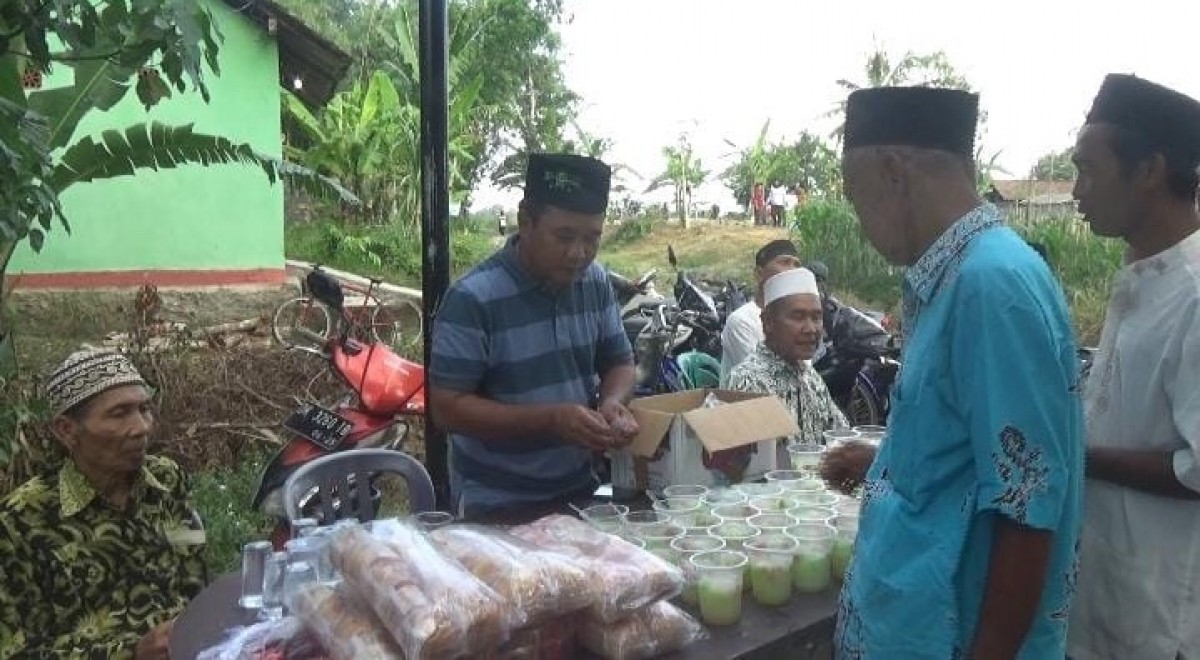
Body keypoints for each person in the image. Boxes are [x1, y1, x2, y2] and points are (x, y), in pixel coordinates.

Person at [821, 86, 1083, 658]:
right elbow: (973, 449)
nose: (860, 219)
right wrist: (887, 464)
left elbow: (1028, 508)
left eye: (854, 196)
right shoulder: (951, 276)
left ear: (892, 171)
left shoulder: (991, 285)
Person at [1066, 74, 1200, 660]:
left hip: (1162, 618)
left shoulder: (1194, 292)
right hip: (1105, 597)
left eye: (1088, 170)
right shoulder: (1143, 273)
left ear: (1148, 172)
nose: (1077, 191)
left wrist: (1078, 454)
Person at [429, 153, 639, 520]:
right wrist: (550, 420)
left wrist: (612, 402)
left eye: (592, 239)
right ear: (525, 221)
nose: (579, 253)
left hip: (578, 492)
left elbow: (619, 361)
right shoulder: (473, 298)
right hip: (495, 503)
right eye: (564, 237)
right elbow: (447, 409)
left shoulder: (595, 282)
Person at [0, 349, 207, 659]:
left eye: (144, 409)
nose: (141, 428)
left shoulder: (167, 482)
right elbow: (14, 652)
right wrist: (131, 653)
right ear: (66, 430)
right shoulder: (20, 522)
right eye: (119, 413)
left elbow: (195, 576)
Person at [725, 268, 848, 465]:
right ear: (768, 323)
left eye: (816, 317)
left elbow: (841, 437)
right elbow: (755, 471)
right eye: (798, 317)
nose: (811, 329)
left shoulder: (810, 377)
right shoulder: (748, 381)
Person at [719, 239, 803, 380]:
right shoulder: (742, 322)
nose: (793, 271)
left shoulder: (795, 322)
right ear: (759, 273)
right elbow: (764, 379)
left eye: (796, 265)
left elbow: (804, 373)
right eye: (785, 262)